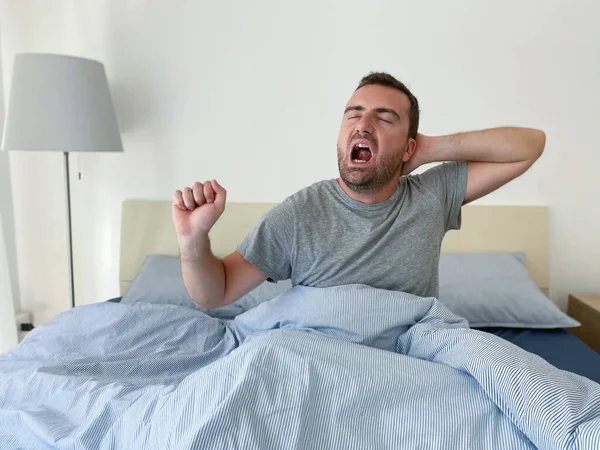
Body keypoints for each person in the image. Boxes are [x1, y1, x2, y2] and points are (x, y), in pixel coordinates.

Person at [172, 72, 545, 308]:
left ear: (409, 147)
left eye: (385, 118)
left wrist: (428, 148)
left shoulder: (431, 196)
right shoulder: (299, 214)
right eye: (354, 114)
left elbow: (530, 146)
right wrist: (192, 242)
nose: (363, 124)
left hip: (406, 361)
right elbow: (214, 294)